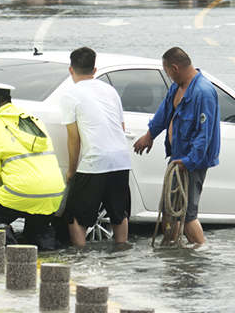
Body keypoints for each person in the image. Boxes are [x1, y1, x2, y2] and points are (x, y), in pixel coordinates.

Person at [133, 47, 219, 246]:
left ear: (174, 68)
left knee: (187, 215)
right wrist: (149, 135)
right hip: (177, 158)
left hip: (191, 162)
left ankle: (200, 255)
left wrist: (188, 161)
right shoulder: (177, 88)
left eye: (168, 72)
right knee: (169, 211)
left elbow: (203, 136)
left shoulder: (203, 93)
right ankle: (172, 254)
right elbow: (164, 113)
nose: (168, 77)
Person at [0, 82, 65, 251]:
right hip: (53, 192)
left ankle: (12, 257)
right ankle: (48, 261)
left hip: (22, 190)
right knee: (37, 232)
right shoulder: (33, 121)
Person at [59, 47, 132, 248]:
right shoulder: (110, 91)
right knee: (118, 213)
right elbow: (121, 126)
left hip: (95, 160)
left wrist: (72, 170)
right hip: (121, 159)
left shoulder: (70, 95)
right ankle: (121, 252)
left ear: (71, 70)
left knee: (74, 214)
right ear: (95, 69)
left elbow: (74, 139)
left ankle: (80, 257)